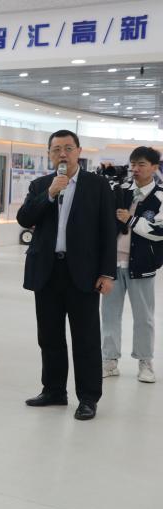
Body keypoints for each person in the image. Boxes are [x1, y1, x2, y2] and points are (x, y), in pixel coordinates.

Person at [17, 130, 116, 421]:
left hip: (83, 273)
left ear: (78, 152)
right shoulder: (41, 185)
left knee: (85, 339)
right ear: (49, 154)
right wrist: (49, 194)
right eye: (56, 149)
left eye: (68, 148)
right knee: (49, 336)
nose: (62, 153)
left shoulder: (97, 186)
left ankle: (88, 398)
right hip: (47, 271)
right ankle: (54, 390)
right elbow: (25, 218)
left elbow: (107, 231)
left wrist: (107, 273)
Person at [102, 146, 163, 383]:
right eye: (133, 164)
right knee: (109, 314)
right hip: (112, 265)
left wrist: (131, 220)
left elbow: (158, 231)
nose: (135, 169)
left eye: (141, 165)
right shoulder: (120, 190)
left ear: (155, 167)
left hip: (143, 265)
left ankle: (145, 362)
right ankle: (109, 360)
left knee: (144, 317)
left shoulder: (160, 196)